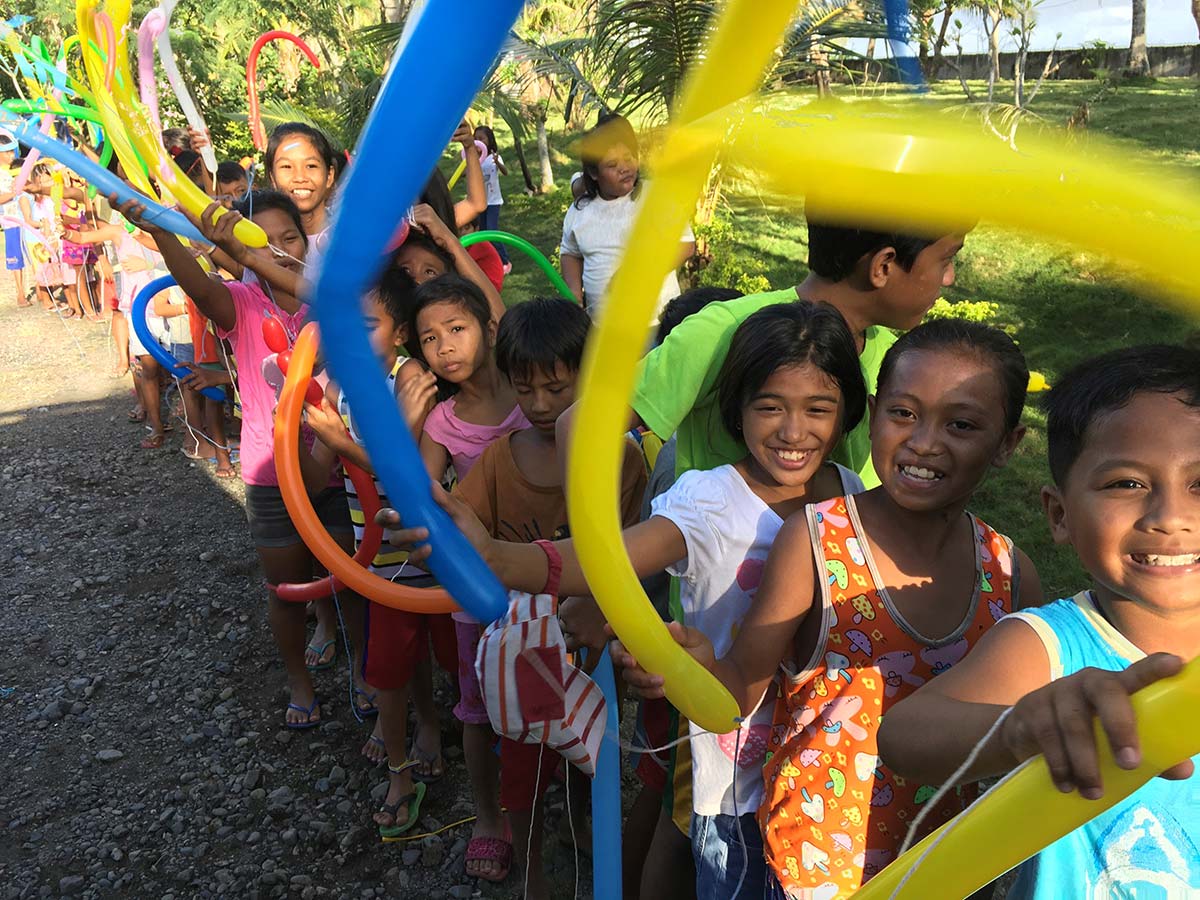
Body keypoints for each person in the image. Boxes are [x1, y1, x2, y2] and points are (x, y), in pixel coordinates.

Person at [390, 301, 868, 897]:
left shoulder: (848, 494)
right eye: (770, 406)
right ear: (736, 408)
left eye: (818, 409)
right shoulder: (709, 504)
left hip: (827, 766)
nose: (794, 431)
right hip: (732, 775)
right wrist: (494, 555)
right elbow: (606, 560)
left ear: (846, 412)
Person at [615, 319, 1043, 897]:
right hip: (811, 869)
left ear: (1008, 444)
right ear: (873, 412)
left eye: (961, 424)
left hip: (947, 871)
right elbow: (741, 685)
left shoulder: (1011, 575)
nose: (924, 442)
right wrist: (693, 664)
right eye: (904, 414)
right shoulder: (816, 539)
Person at [878, 344, 1200, 898]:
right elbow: (903, 736)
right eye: (1127, 483)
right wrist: (1019, 727)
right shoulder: (1049, 647)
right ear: (1059, 515)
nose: (1169, 517)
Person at [118, 189, 364, 729]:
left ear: (307, 242)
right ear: (241, 247)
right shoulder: (244, 304)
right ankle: (299, 680)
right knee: (285, 586)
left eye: (289, 238)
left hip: (338, 462)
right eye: (263, 240)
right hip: (269, 471)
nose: (277, 249)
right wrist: (162, 232)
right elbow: (200, 288)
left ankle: (363, 670)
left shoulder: (328, 300)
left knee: (348, 575)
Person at [454, 297, 647, 895]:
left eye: (558, 389)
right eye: (525, 388)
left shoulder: (622, 461)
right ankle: (535, 866)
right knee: (527, 763)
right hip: (524, 647)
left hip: (592, 643)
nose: (539, 405)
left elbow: (635, 546)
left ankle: (587, 828)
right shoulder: (497, 463)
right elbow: (462, 537)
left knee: (593, 749)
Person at [297, 263, 450, 839]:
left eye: (367, 325)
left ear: (401, 332)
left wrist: (341, 440)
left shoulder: (414, 381)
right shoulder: (337, 386)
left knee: (428, 652)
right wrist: (312, 434)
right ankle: (400, 768)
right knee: (386, 668)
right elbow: (316, 479)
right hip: (372, 554)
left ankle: (429, 727)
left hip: (420, 547)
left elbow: (406, 473)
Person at [406, 274, 522, 882]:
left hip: (547, 577)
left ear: (486, 326)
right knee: (475, 706)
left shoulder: (535, 390)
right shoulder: (443, 420)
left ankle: (565, 800)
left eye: (457, 329)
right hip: (475, 585)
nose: (446, 346)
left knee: (556, 687)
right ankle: (486, 815)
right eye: (430, 338)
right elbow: (418, 493)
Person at [559, 112, 695, 319]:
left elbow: (685, 244)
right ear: (594, 173)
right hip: (601, 326)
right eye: (612, 165)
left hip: (654, 322)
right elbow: (570, 252)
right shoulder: (581, 210)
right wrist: (575, 296)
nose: (624, 168)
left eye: (629, 158)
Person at [472, 124, 510, 272]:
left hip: (493, 201)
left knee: (492, 230)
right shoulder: (475, 158)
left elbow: (505, 172)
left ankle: (505, 260)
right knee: (482, 232)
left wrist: (498, 162)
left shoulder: (494, 157)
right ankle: (487, 260)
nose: (478, 141)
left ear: (489, 140)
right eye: (475, 139)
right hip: (480, 201)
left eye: (481, 138)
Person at [1, 132, 29, 307]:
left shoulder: (20, 167)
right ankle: (20, 293)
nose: (12, 155)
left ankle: (44, 291)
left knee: (34, 253)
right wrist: (14, 193)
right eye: (8, 152)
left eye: (13, 151)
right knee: (15, 258)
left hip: (28, 216)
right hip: (11, 219)